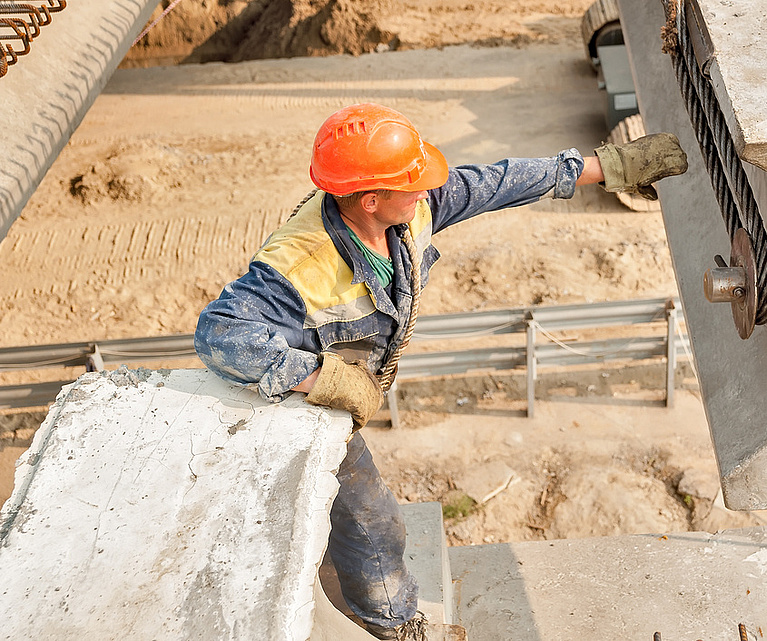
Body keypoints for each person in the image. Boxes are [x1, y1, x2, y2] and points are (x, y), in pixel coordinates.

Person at [194, 103, 687, 639]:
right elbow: (219, 334)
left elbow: (495, 183)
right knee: (374, 520)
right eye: (413, 183)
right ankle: (394, 623)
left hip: (348, 384)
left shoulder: (409, 210)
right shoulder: (301, 262)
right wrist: (320, 378)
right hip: (299, 405)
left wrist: (602, 168)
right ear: (370, 199)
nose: (427, 189)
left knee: (354, 516)